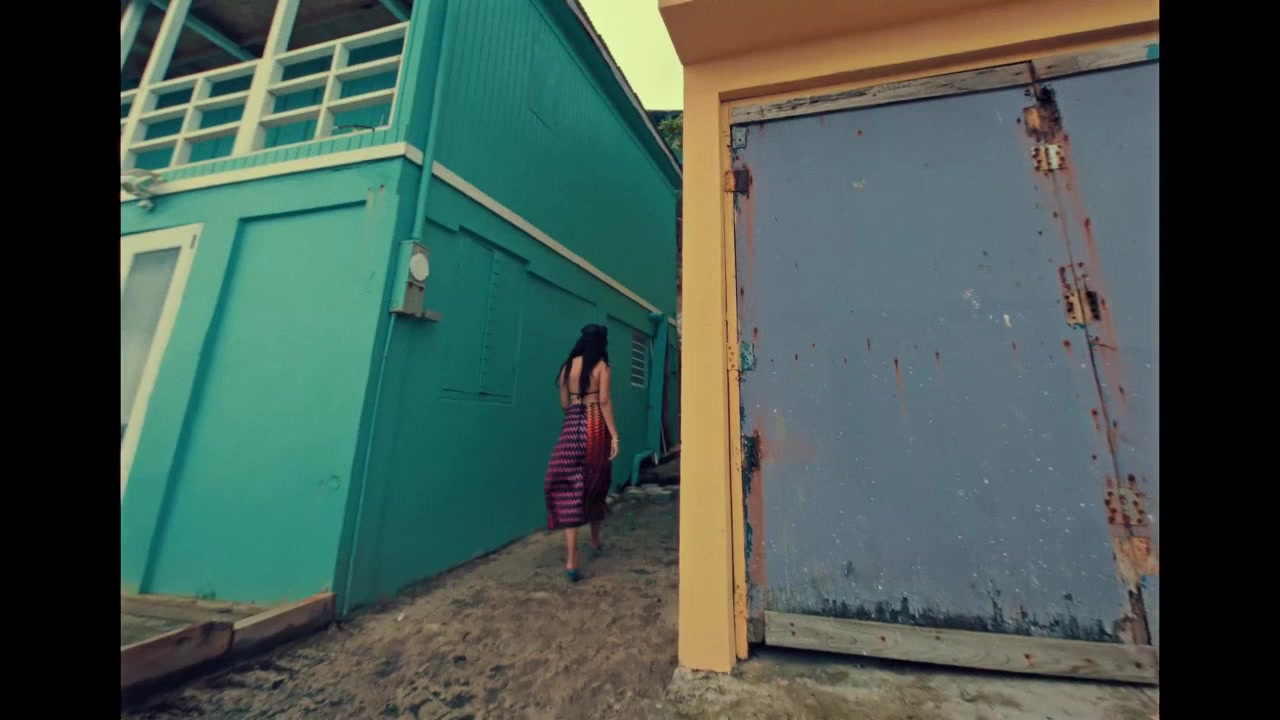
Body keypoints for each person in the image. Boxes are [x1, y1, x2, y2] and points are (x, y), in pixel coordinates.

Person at [544, 323, 620, 582]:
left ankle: (571, 559)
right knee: (596, 483)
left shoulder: (567, 367)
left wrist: (574, 416)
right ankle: (595, 540)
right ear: (602, 343)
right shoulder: (602, 367)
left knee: (570, 489)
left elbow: (564, 403)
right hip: (594, 426)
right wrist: (614, 435)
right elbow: (604, 402)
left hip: (571, 426)